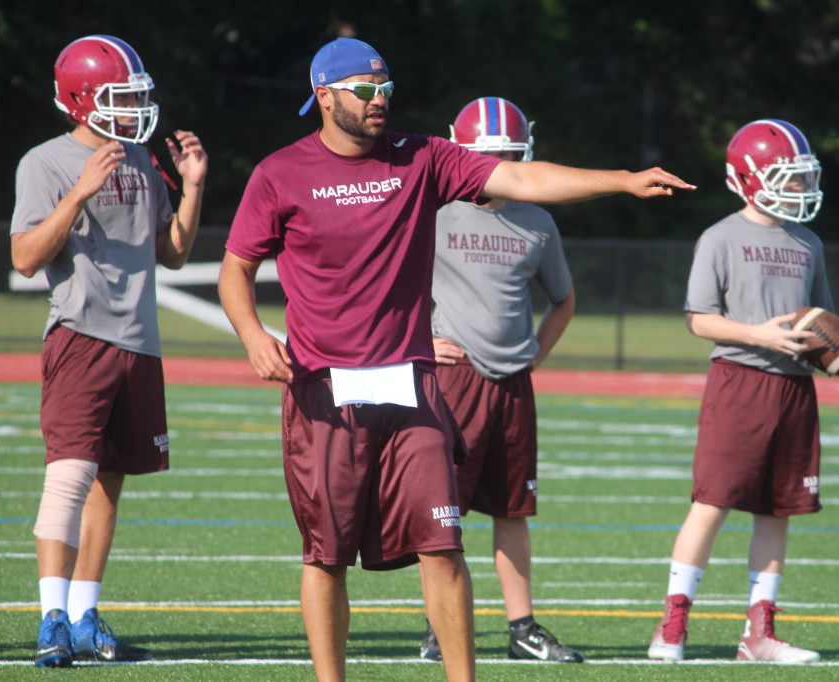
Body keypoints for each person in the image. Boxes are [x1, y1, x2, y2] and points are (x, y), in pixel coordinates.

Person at [217, 37, 692, 682]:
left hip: (412, 387)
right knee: (325, 555)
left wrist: (621, 181)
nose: (379, 100)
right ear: (325, 96)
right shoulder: (279, 173)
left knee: (443, 546)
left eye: (385, 88)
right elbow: (236, 270)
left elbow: (522, 177)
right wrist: (252, 335)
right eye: (364, 89)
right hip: (325, 392)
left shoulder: (424, 158)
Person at [10, 35, 208, 667]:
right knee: (68, 477)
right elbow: (23, 258)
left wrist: (195, 188)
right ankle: (50, 619)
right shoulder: (45, 162)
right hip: (81, 335)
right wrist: (77, 194)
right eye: (121, 97)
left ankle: (86, 613)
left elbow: (171, 253)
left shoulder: (142, 159)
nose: (134, 108)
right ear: (82, 100)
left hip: (139, 342)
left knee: (110, 484)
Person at [647, 119, 839, 664]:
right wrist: (756, 334)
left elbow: (819, 321)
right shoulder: (720, 237)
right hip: (740, 382)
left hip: (795, 390)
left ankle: (758, 634)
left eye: (801, 179)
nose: (798, 189)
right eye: (787, 179)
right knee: (711, 504)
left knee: (777, 511)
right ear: (749, 178)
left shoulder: (807, 241)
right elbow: (699, 320)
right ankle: (672, 625)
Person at [416, 97, 582, 664]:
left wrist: (536, 352)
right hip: (452, 380)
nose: (500, 167)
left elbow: (563, 300)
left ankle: (522, 628)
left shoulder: (539, 219)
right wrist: (418, 342)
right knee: (445, 512)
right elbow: (393, 285)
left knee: (513, 510)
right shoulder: (432, 209)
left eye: (511, 156)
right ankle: (443, 626)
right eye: (491, 157)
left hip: (513, 383)